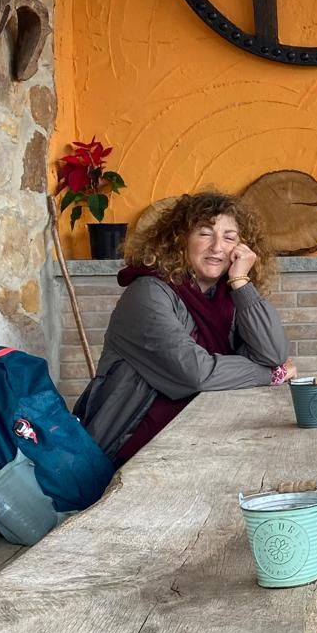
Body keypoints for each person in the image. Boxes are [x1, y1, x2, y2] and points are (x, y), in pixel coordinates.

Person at [75, 191, 294, 464]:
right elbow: (196, 373)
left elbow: (274, 353)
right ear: (179, 240)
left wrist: (241, 282)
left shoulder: (229, 296)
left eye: (229, 237)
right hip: (133, 447)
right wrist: (270, 375)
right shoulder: (147, 294)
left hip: (198, 435)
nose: (217, 247)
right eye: (204, 233)